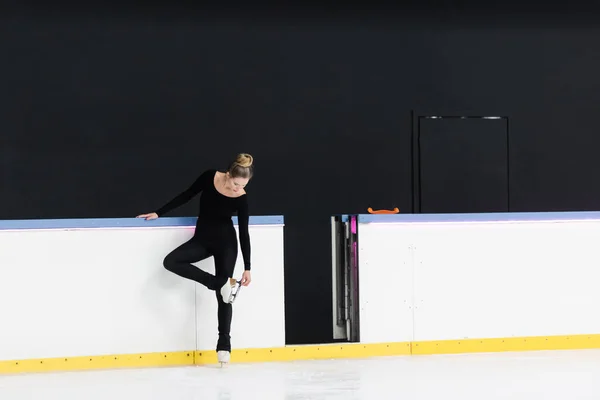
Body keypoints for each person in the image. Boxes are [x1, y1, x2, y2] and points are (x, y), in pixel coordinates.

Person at [136, 153, 254, 365]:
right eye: (236, 184)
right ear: (228, 175)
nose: (238, 189)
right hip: (202, 239)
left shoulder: (242, 198)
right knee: (171, 261)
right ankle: (219, 283)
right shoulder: (210, 177)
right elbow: (186, 195)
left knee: (224, 298)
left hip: (227, 243)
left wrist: (248, 267)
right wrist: (159, 212)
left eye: (243, 185)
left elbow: (244, 232)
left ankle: (224, 344)